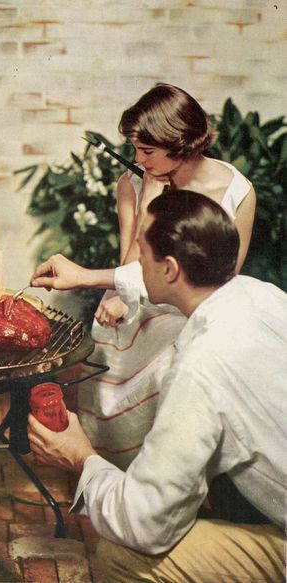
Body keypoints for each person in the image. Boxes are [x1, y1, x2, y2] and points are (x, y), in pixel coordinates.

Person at [28, 191, 286, 583]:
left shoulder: (202, 366)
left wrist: (81, 457)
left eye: (141, 254)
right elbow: (141, 281)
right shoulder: (261, 295)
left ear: (169, 269)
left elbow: (144, 522)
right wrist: (86, 274)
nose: (135, 263)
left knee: (122, 553)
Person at [79, 83, 256, 470]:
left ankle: (172, 476)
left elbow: (226, 282)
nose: (139, 160)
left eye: (147, 151)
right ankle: (119, 474)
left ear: (180, 143)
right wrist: (148, 201)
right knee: (110, 328)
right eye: (135, 150)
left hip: (195, 312)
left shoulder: (237, 191)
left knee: (176, 355)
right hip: (137, 299)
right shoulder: (134, 183)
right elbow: (130, 265)